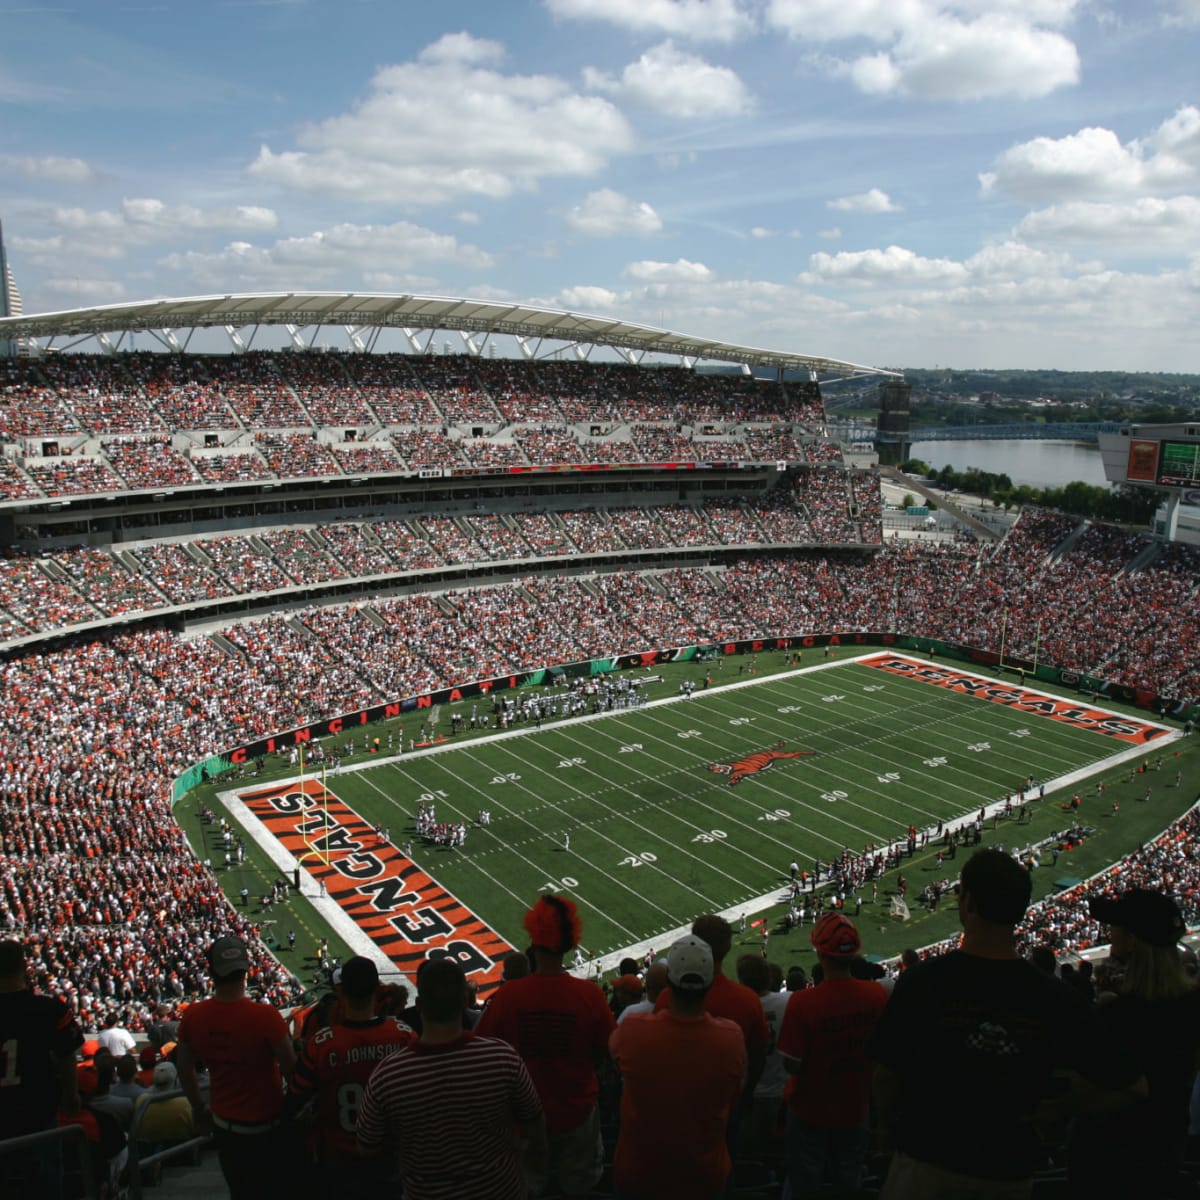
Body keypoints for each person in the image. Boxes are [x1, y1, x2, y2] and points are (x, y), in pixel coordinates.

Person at [869, 849, 1146, 1200]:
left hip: (927, 1162)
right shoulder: (1054, 997)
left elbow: (885, 1076)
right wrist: (1055, 1111)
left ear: (967, 903)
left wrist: (886, 1131)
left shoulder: (923, 982)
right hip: (1007, 1172)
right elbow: (1132, 1086)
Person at [356, 957, 547, 1199]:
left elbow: (367, 1146)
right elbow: (535, 1128)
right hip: (500, 1190)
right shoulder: (502, 1057)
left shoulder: (389, 1074)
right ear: (463, 1002)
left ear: (420, 1005)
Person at [476, 894, 615, 1197]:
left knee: (526, 1186)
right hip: (577, 1110)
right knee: (580, 1186)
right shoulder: (589, 995)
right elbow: (610, 1052)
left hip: (522, 1116)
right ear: (568, 944)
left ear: (534, 942)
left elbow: (482, 1051)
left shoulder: (509, 995)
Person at [1067, 889, 1200, 1199]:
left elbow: (1114, 1092)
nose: (1109, 935)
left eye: (1115, 928)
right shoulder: (1192, 1007)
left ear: (1132, 941)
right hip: (1165, 1155)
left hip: (1108, 1166)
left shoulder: (1118, 1015)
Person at [609, 935, 746, 1199]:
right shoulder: (732, 1038)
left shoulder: (632, 1029)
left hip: (640, 1173)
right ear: (710, 984)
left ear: (669, 983)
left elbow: (612, 1062)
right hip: (704, 1174)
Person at [176, 935, 298, 1200]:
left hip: (225, 1125)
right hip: (269, 1125)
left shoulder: (194, 1016)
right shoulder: (266, 1016)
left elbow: (184, 1068)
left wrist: (199, 1107)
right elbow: (293, 1072)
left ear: (212, 971)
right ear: (246, 971)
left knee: (240, 1190)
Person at [777, 913, 888, 1196]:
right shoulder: (877, 995)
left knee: (803, 1182)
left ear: (819, 952)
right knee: (848, 1180)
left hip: (810, 1108)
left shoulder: (803, 1002)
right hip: (856, 1105)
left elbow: (792, 1064)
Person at [289, 955, 413, 1197]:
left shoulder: (322, 1044)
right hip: (390, 1155)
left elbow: (294, 1099)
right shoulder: (403, 1036)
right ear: (377, 989)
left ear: (342, 991)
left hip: (338, 1155)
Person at [0, 939, 82, 1200]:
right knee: (44, 1184)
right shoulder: (49, 1009)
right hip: (37, 1112)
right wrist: (71, 1096)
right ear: (25, 966)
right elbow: (67, 1055)